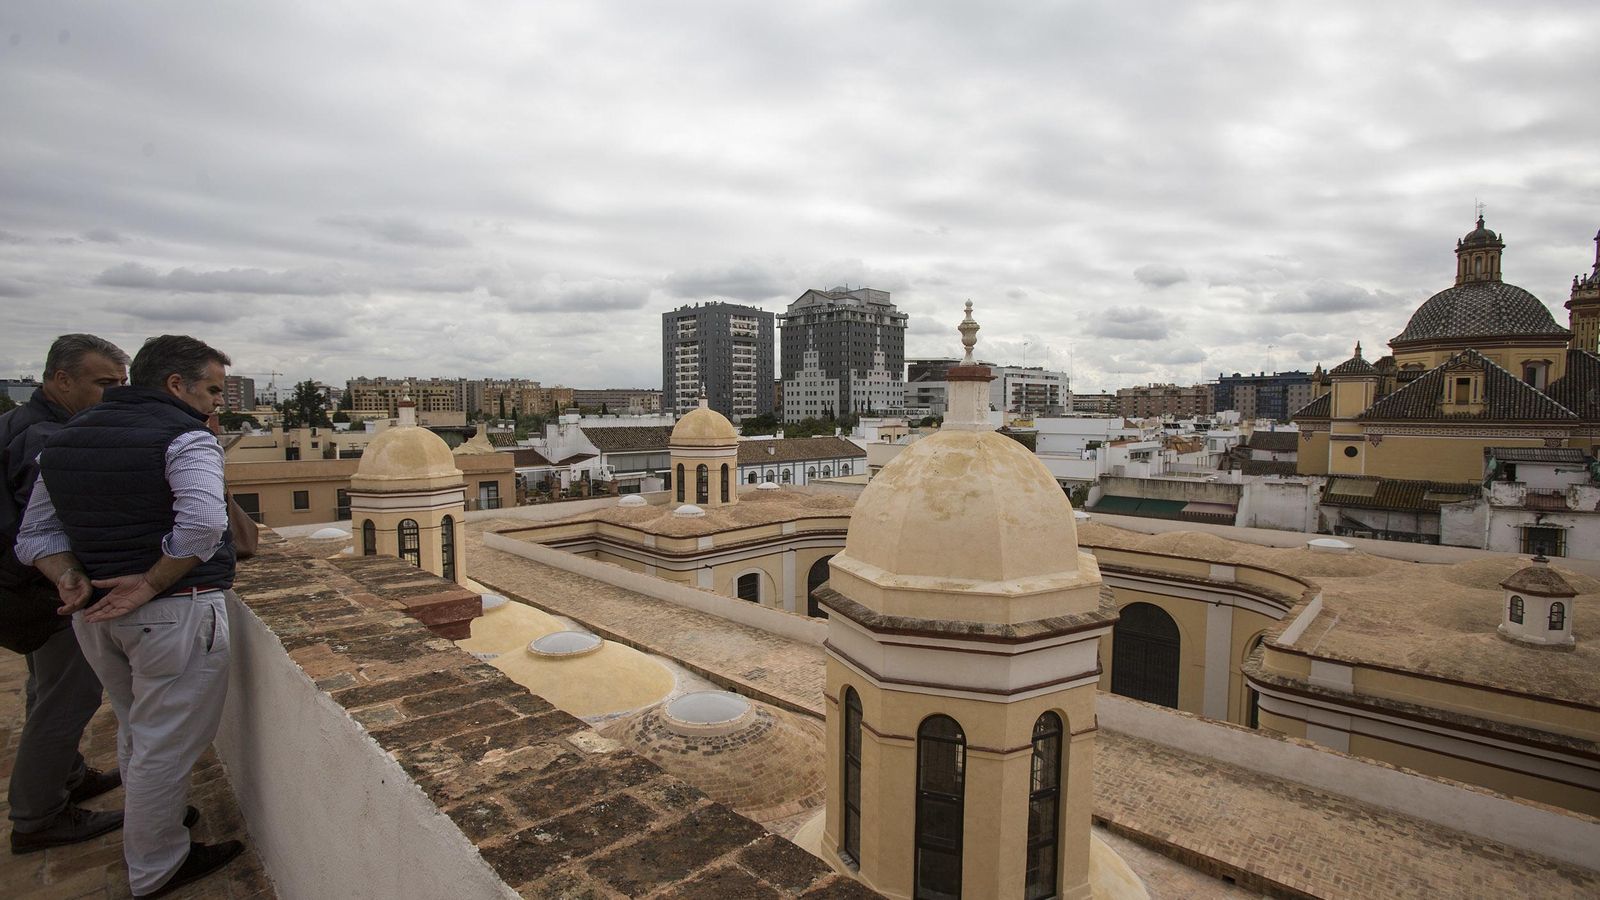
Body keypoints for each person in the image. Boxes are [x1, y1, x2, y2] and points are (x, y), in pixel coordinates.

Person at [17, 335, 244, 897]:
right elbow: (200, 526)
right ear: (176, 384)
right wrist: (150, 583)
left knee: (137, 731)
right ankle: (157, 866)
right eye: (212, 389)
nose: (217, 401)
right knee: (165, 745)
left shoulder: (66, 439)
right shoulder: (184, 437)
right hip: (175, 614)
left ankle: (156, 825)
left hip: (96, 615)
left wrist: (68, 575)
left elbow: (36, 535)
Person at [0, 334, 129, 852]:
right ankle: (39, 815)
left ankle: (68, 775)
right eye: (104, 384)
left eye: (121, 384)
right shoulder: (49, 439)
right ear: (61, 379)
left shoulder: (19, 422)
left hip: (23, 591)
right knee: (67, 698)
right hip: (49, 593)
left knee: (44, 691)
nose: (114, 395)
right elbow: (53, 524)